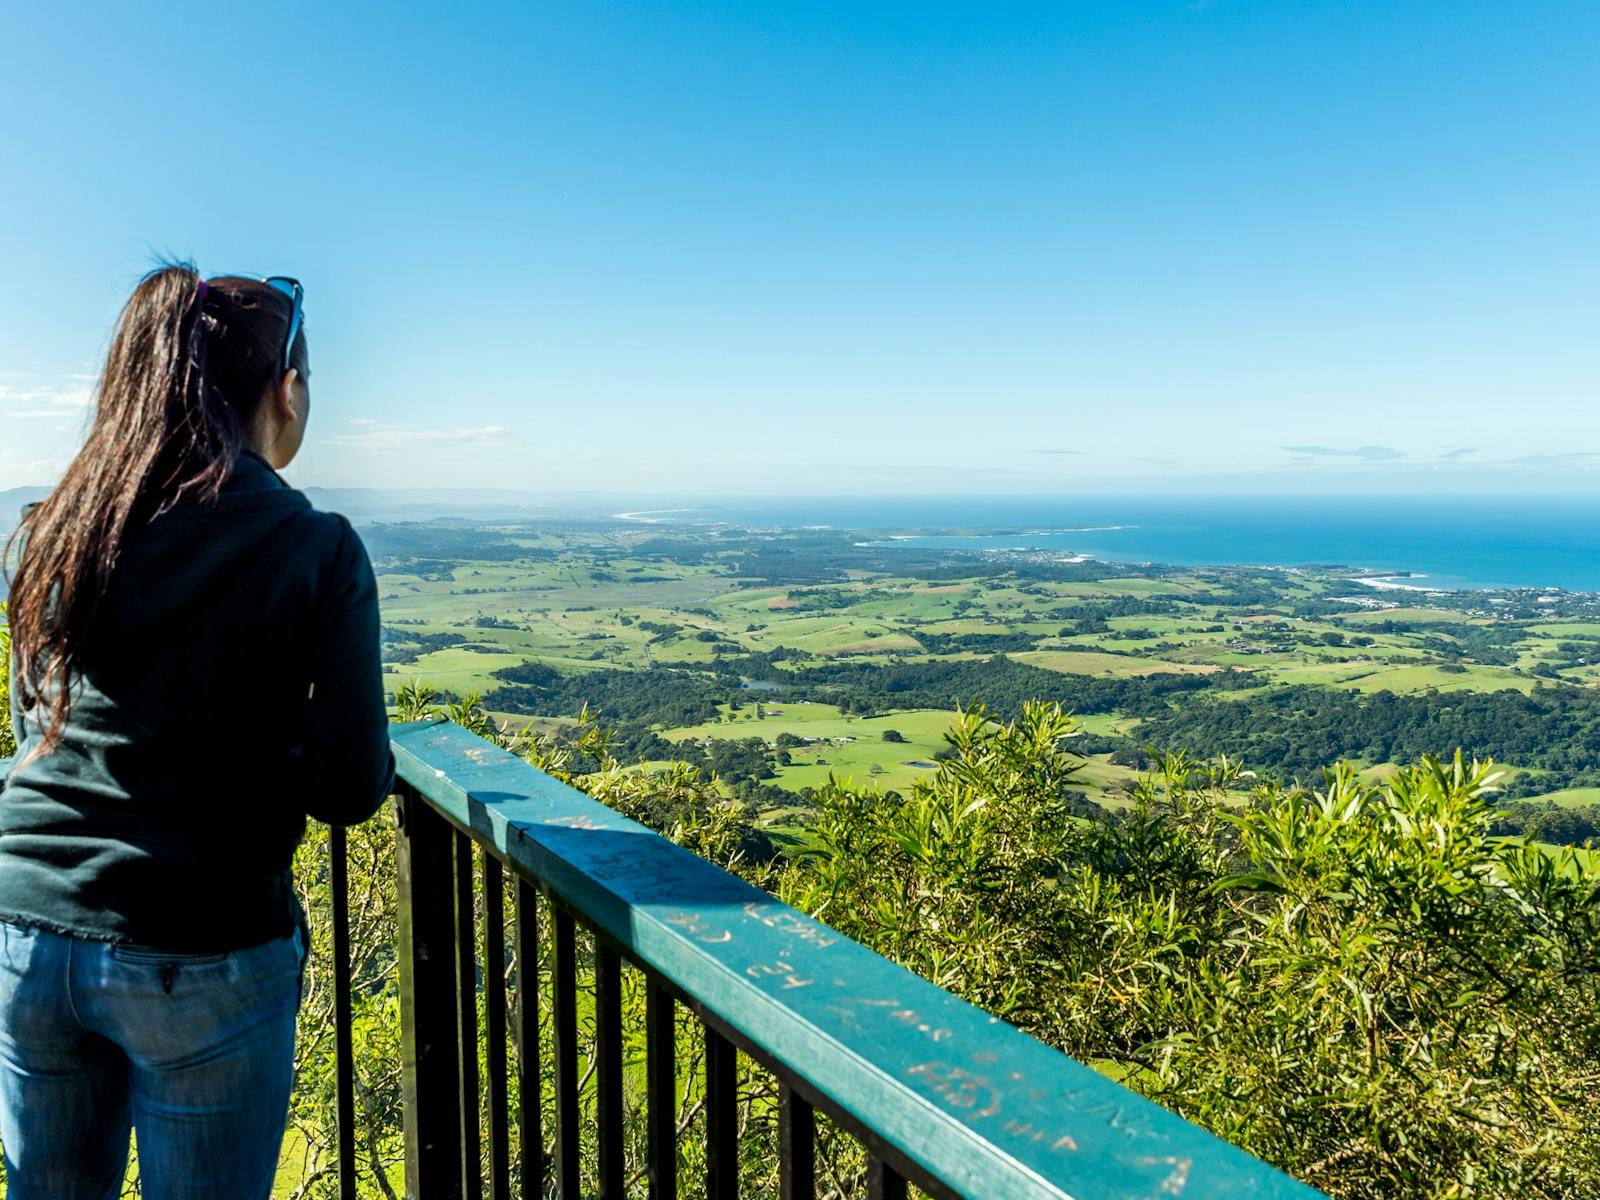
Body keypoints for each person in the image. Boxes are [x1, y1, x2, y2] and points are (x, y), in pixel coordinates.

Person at [0, 264, 394, 1199]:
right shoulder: (314, 548)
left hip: (22, 923)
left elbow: (41, 719)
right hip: (198, 942)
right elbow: (348, 791)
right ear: (286, 390)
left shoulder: (48, 530)